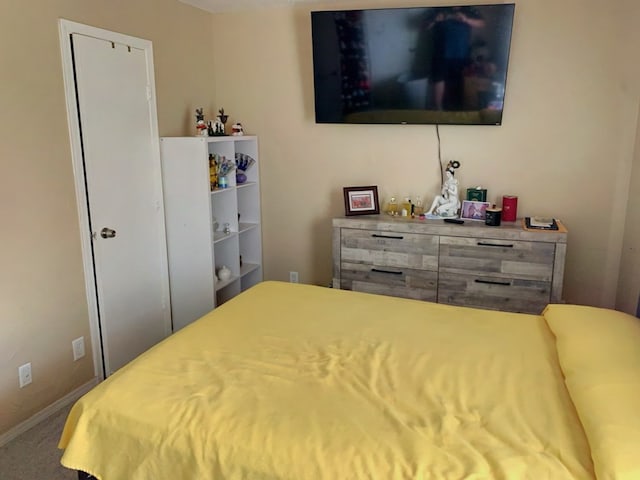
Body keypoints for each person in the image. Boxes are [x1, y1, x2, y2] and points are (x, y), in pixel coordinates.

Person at [427, 6, 485, 110]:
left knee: (459, 87)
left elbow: (482, 23)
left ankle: (457, 112)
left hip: (461, 54)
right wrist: (434, 20)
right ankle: (438, 111)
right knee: (438, 82)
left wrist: (466, 20)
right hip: (440, 53)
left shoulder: (469, 9)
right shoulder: (438, 8)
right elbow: (425, 26)